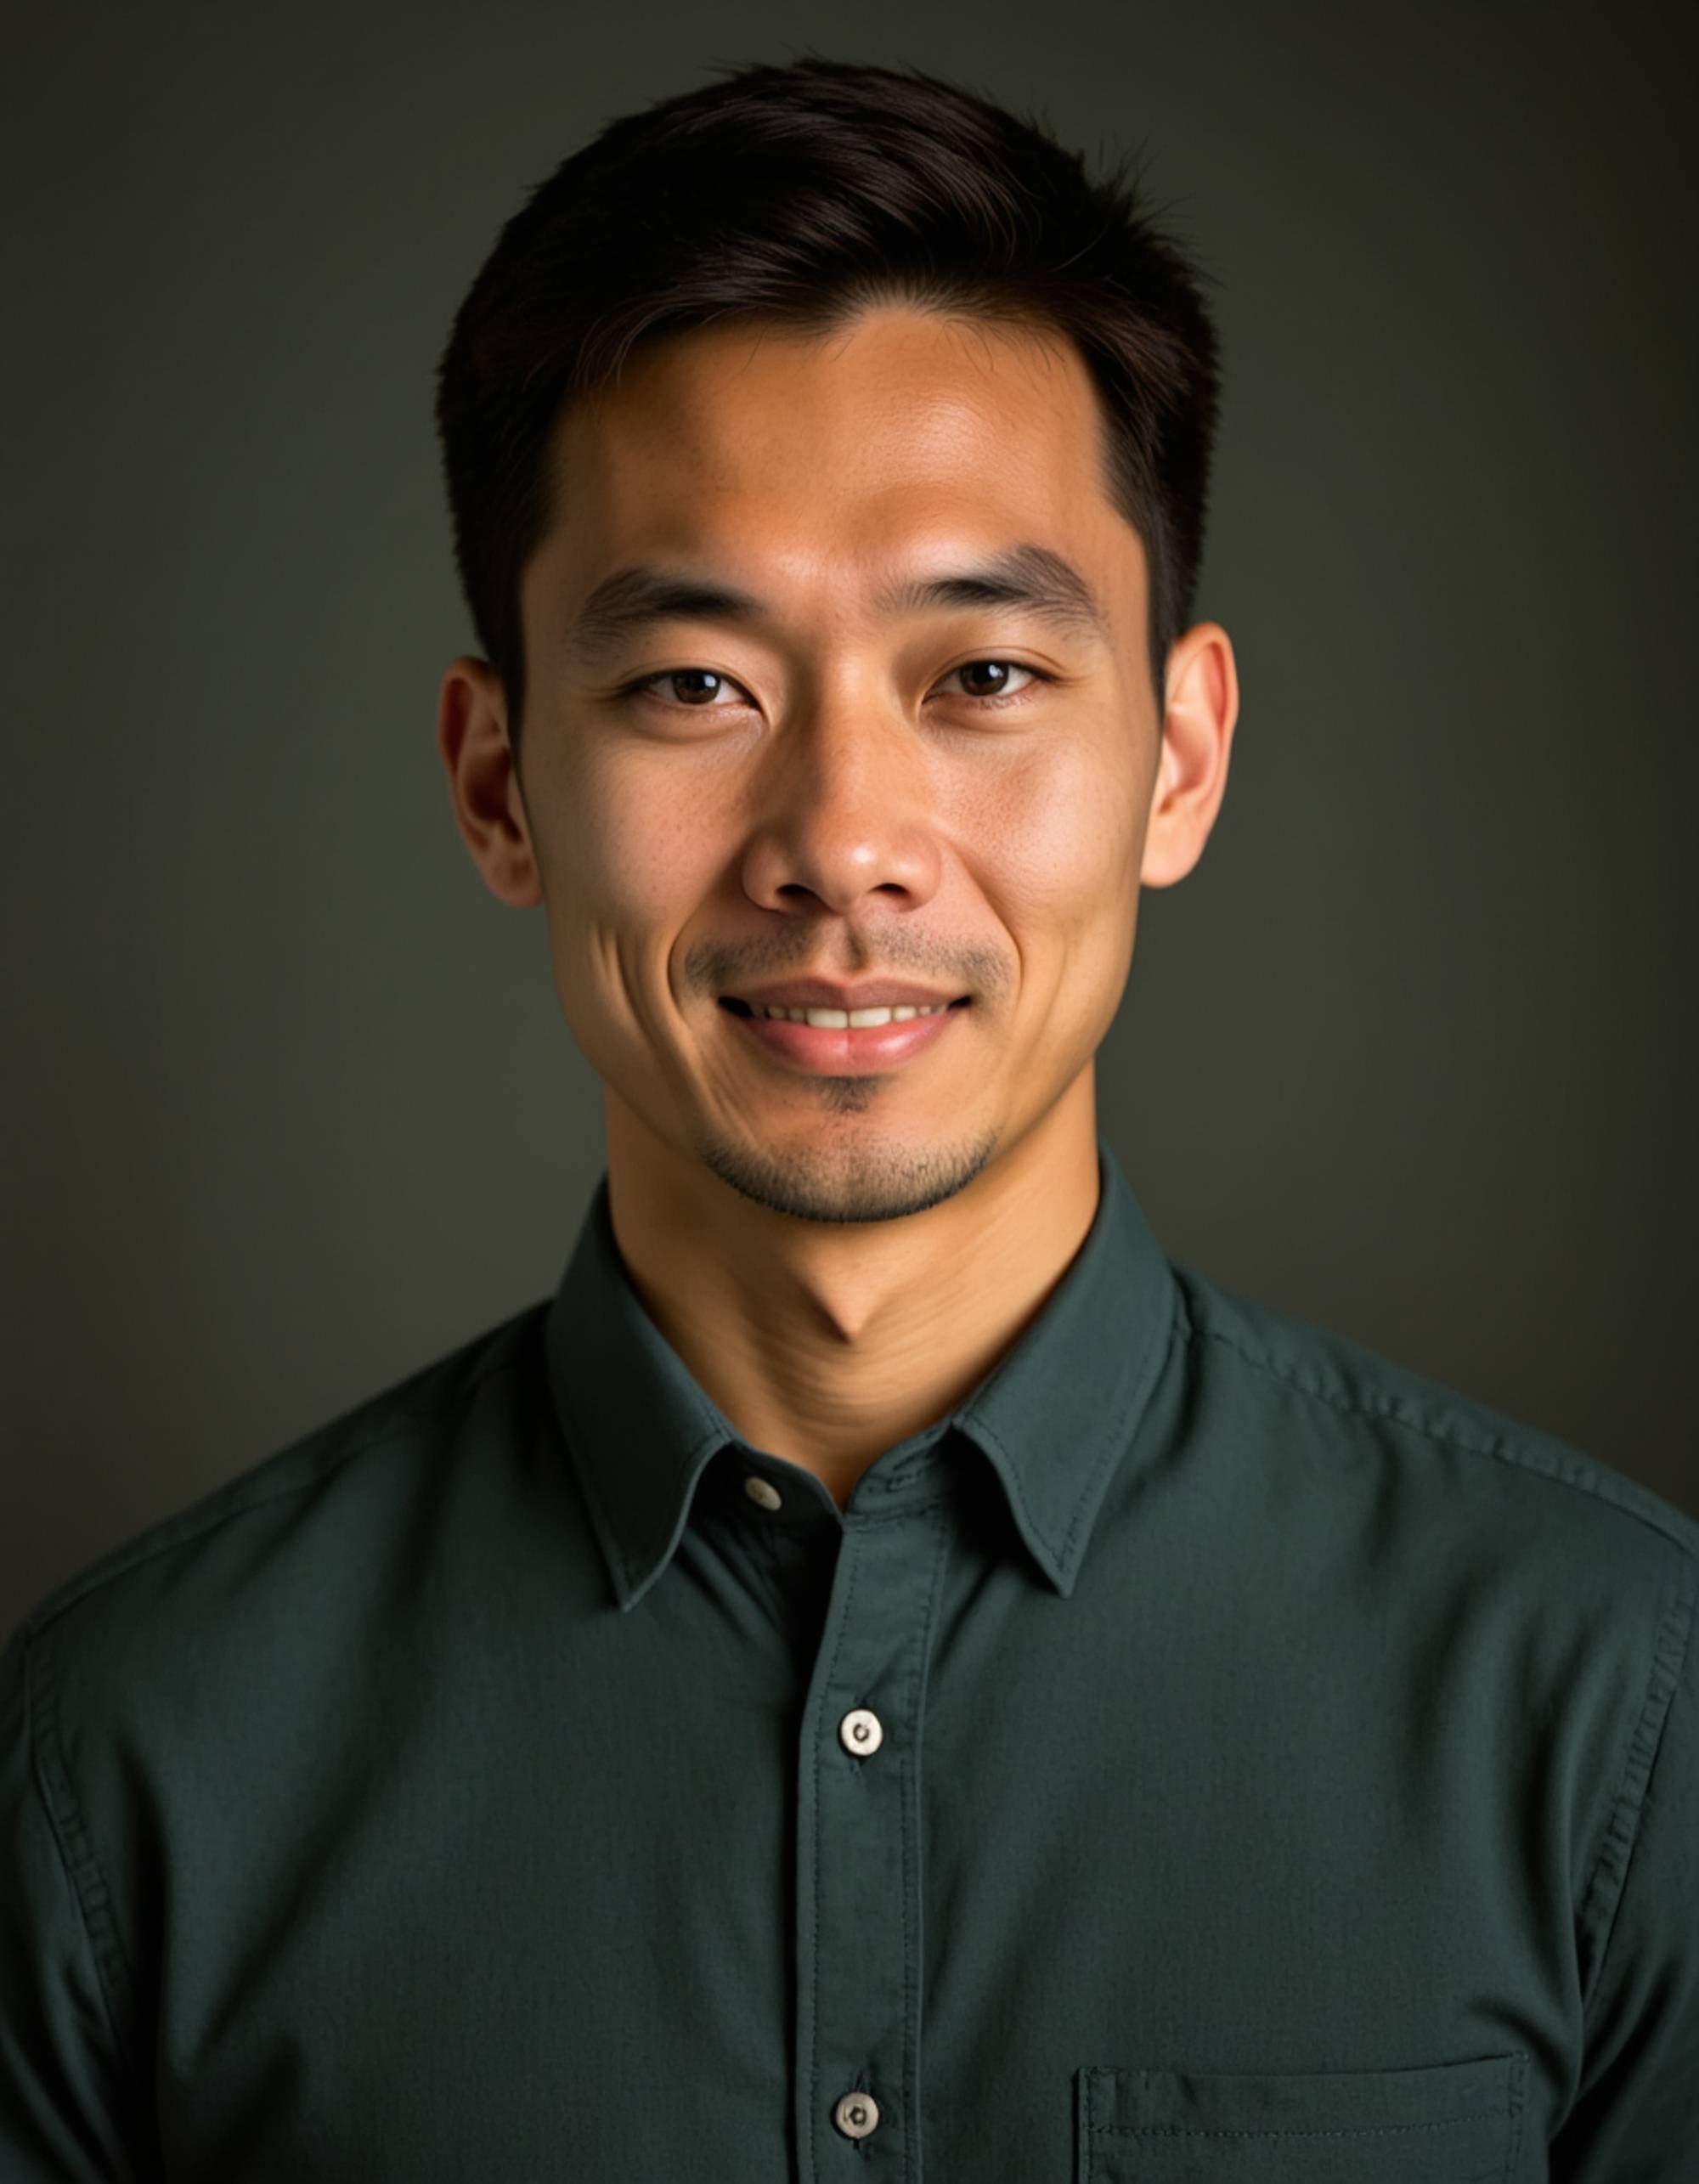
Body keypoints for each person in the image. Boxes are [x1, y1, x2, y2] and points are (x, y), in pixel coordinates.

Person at [3, 53, 1693, 2181]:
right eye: (695, 683)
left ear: (1177, 758)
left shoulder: (1620, 1700)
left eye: (982, 675)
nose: (841, 843)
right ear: (497, 781)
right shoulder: (120, 1761)